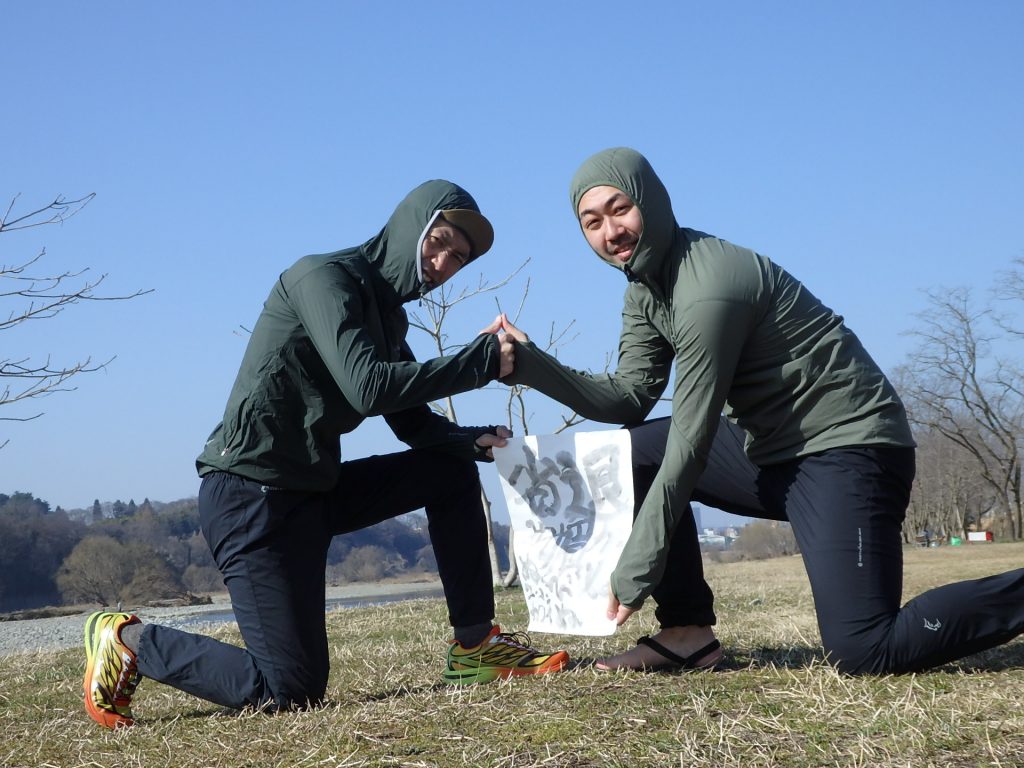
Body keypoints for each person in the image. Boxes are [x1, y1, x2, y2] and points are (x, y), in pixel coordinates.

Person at [494, 147, 1024, 675]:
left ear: (651, 202)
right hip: (772, 449)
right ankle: (686, 634)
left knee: (865, 650)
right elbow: (630, 398)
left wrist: (638, 565)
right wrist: (531, 365)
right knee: (630, 454)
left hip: (850, 448)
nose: (611, 231)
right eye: (592, 223)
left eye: (620, 209)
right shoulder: (645, 289)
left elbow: (692, 436)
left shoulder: (708, 288)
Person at [83, 180, 568, 729]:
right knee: (291, 689)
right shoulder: (322, 278)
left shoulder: (390, 321)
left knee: (449, 471)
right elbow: (370, 387)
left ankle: (476, 646)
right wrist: (479, 360)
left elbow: (410, 422)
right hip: (250, 499)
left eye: (458, 257)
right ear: (410, 227)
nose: (442, 262)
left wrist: (468, 440)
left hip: (315, 492)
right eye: (439, 242)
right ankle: (128, 640)